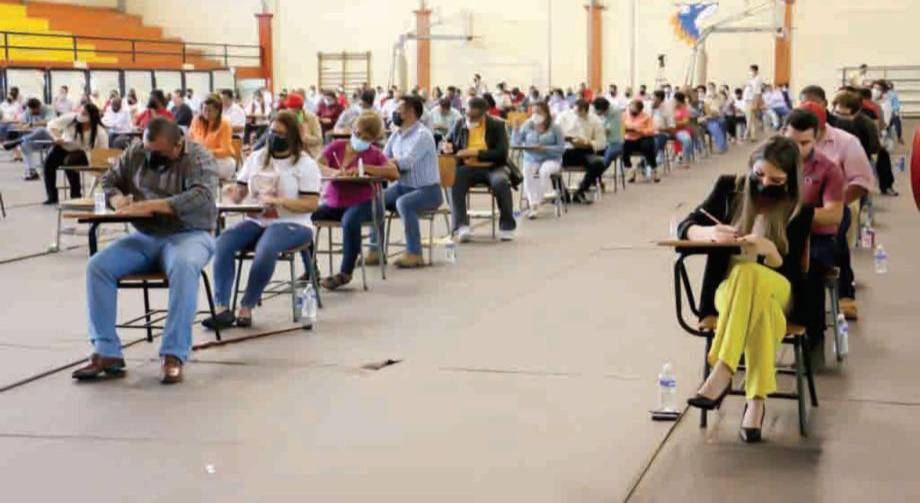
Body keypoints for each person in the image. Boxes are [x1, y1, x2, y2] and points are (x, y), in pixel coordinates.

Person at [680, 136, 814, 443]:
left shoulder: (800, 208)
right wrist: (709, 233)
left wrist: (770, 250)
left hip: (779, 290)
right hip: (728, 293)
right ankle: (756, 403)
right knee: (756, 301)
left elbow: (794, 273)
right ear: (751, 166)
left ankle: (724, 369)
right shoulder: (730, 189)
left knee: (750, 273)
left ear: (790, 179)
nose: (765, 183)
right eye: (760, 174)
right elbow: (685, 226)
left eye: (776, 180)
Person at [71, 118, 218, 384]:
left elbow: (202, 196)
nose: (150, 157)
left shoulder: (199, 157)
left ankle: (173, 354)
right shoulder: (136, 151)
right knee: (98, 266)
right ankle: (106, 351)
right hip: (146, 236)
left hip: (190, 234)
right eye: (148, 150)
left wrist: (150, 206)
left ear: (178, 145)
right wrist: (116, 197)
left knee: (184, 266)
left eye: (159, 153)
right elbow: (109, 179)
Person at [203, 112, 321, 329]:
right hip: (258, 219)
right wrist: (232, 193)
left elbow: (311, 204)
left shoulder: (305, 164)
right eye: (272, 132)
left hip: (294, 223)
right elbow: (240, 192)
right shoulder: (257, 158)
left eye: (281, 134)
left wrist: (280, 201)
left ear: (292, 138)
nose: (274, 137)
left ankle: (246, 306)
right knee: (223, 242)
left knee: (266, 247)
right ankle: (221, 308)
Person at [798, 96, 874, 321]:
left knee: (834, 234)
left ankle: (844, 292)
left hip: (839, 201)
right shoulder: (788, 141)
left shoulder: (847, 142)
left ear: (822, 127)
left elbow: (861, 182)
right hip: (797, 207)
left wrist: (836, 204)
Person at [782, 108, 845, 367]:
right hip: (779, 236)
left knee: (810, 268)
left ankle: (813, 338)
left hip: (817, 239)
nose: (797, 149)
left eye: (804, 143)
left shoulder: (829, 170)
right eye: (792, 142)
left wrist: (794, 216)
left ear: (816, 138)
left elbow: (833, 215)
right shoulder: (770, 163)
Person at [310, 113, 397, 288]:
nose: (360, 139)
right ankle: (311, 267)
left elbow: (393, 173)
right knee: (306, 217)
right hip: (335, 202)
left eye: (366, 138)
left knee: (350, 221)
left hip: (362, 203)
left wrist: (365, 168)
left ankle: (346, 272)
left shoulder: (374, 154)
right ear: (353, 129)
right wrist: (334, 173)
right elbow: (316, 165)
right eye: (357, 133)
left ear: (373, 139)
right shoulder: (337, 147)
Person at [375, 95, 443, 267]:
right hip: (403, 186)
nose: (395, 113)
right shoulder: (396, 135)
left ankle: (415, 253)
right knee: (375, 200)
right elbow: (382, 157)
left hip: (428, 191)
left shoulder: (423, 135)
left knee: (404, 203)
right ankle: (376, 251)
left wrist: (388, 163)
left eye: (399, 110)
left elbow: (407, 162)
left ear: (411, 112)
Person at [444, 96, 514, 240]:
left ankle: (506, 226)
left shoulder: (497, 125)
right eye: (468, 115)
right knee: (453, 181)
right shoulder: (459, 124)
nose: (470, 119)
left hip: (493, 167)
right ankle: (461, 226)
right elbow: (448, 142)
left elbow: (502, 154)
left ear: (484, 114)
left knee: (501, 182)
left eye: (474, 117)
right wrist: (447, 147)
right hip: (467, 167)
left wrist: (475, 152)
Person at [42, 104, 108, 204]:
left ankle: (76, 194)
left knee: (70, 161)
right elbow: (52, 124)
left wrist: (99, 167)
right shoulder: (72, 118)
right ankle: (52, 196)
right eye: (82, 113)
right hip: (65, 146)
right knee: (48, 163)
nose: (81, 117)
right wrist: (57, 137)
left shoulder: (100, 132)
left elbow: (104, 152)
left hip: (83, 153)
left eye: (85, 114)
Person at [510, 100, 565, 218]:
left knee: (544, 171)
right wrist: (516, 130)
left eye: (539, 112)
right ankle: (533, 204)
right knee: (527, 173)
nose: (535, 115)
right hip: (531, 158)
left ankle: (538, 200)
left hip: (551, 158)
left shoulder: (555, 127)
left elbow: (561, 148)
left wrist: (545, 148)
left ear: (546, 113)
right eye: (533, 112)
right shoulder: (528, 125)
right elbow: (516, 143)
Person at [555, 99, 608, 204]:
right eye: (575, 111)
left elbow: (602, 142)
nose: (577, 115)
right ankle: (562, 193)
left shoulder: (595, 120)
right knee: (550, 164)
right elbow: (555, 135)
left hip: (584, 151)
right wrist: (565, 139)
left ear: (586, 111)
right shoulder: (563, 117)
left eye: (580, 112)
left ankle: (581, 191)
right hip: (565, 150)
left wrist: (588, 143)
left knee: (599, 163)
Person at [188, 93, 237, 181]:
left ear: (218, 111)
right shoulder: (196, 120)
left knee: (227, 164)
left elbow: (225, 150)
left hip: (219, 160)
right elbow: (190, 139)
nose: (207, 113)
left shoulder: (225, 124)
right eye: (205, 109)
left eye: (210, 110)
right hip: (198, 159)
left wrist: (206, 153)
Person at [2, 98, 54, 180]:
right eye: (31, 110)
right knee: (24, 145)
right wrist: (21, 126)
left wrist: (31, 124)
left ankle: (19, 140)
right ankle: (32, 172)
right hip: (34, 139)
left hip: (50, 138)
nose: (33, 112)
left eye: (35, 110)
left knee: (41, 130)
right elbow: (22, 122)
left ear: (39, 106)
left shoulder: (48, 109)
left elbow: (49, 122)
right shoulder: (28, 111)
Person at [622, 99, 659, 183]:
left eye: (634, 109)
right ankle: (630, 169)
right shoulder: (625, 116)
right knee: (623, 146)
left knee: (648, 145)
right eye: (630, 108)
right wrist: (625, 130)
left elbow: (652, 131)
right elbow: (620, 128)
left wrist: (640, 131)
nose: (631, 110)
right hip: (629, 138)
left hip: (643, 138)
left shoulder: (646, 117)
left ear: (639, 110)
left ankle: (653, 169)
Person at [593, 97, 625, 176]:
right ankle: (593, 176)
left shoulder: (615, 112)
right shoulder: (603, 112)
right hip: (604, 141)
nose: (595, 111)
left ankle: (593, 176)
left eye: (596, 110)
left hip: (616, 142)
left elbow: (607, 131)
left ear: (602, 109)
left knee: (607, 158)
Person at [672, 92, 695, 167]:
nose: (673, 102)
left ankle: (685, 158)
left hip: (681, 130)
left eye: (674, 100)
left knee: (687, 140)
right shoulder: (671, 109)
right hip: (670, 130)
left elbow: (685, 122)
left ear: (679, 101)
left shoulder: (684, 109)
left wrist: (675, 123)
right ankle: (678, 154)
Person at [744, 64, 764, 141]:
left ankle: (746, 134)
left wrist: (755, 103)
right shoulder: (751, 79)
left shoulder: (757, 80)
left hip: (751, 100)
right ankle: (753, 136)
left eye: (751, 70)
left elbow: (757, 92)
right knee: (751, 119)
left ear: (755, 71)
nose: (750, 72)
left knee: (749, 119)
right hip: (747, 100)